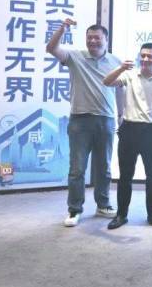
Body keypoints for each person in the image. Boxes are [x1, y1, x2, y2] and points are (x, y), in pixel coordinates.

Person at [46, 18, 122, 227]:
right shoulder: (75, 57)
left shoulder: (115, 61)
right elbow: (51, 48)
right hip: (80, 120)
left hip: (106, 119)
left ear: (106, 40)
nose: (93, 41)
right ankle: (74, 209)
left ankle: (103, 204)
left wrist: (121, 114)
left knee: (104, 167)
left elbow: (120, 89)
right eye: (89, 38)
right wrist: (62, 28)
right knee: (77, 169)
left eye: (97, 38)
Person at [102, 43, 152, 229]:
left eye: (150, 56)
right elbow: (106, 82)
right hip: (129, 129)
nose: (145, 59)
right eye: (142, 55)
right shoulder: (129, 75)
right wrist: (120, 68)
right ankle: (121, 214)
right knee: (125, 175)